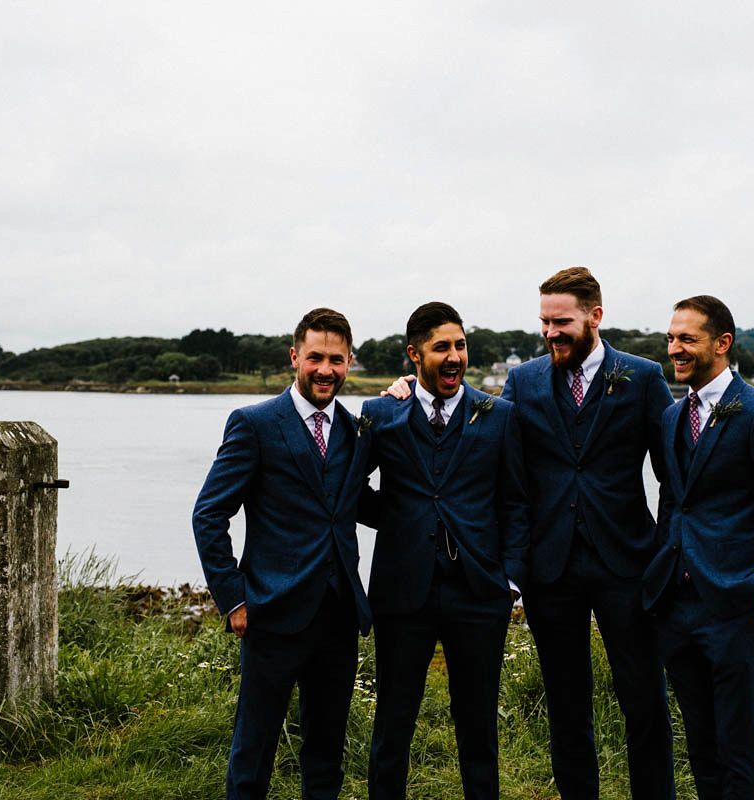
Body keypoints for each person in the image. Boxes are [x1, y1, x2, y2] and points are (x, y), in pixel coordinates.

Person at [380, 267, 676, 799]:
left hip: (627, 564)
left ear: (595, 317)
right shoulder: (525, 382)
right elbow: (505, 476)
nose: (551, 332)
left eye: (561, 321)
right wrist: (403, 390)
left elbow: (674, 475)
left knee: (645, 700)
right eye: (544, 322)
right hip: (550, 569)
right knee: (566, 704)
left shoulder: (644, 377)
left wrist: (666, 553)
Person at [192, 307, 373, 800]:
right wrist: (234, 600)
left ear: (349, 362)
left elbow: (368, 505)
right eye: (315, 357)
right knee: (254, 752)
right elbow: (208, 515)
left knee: (327, 752)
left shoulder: (358, 431)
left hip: (337, 616)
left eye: (336, 359)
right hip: (270, 613)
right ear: (295, 357)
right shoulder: (254, 424)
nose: (325, 369)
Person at [643, 295, 754, 800]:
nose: (675, 349)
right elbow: (675, 504)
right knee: (700, 741)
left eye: (687, 339)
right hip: (677, 605)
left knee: (737, 744)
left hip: (739, 607)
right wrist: (661, 581)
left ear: (722, 344)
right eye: (671, 338)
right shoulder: (674, 417)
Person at [359, 301, 529, 800]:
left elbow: (517, 502)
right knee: (393, 723)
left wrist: (511, 580)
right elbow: (350, 488)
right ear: (414, 354)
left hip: (480, 594)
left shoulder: (500, 416)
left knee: (478, 726)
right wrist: (399, 518)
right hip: (401, 592)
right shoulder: (380, 413)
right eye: (441, 348)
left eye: (460, 345)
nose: (454, 357)